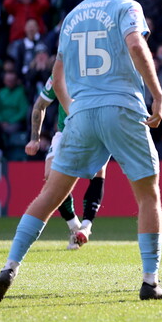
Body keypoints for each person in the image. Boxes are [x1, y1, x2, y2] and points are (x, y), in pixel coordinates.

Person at [0, 0, 162, 302]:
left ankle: (10, 266)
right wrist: (157, 93)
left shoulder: (70, 18)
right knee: (148, 195)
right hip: (122, 107)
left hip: (81, 114)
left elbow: (58, 74)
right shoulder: (127, 7)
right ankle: (150, 281)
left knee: (48, 196)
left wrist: (75, 108)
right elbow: (135, 44)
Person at [24, 61, 107, 250]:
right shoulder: (58, 75)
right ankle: (74, 226)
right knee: (50, 177)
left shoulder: (98, 69)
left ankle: (87, 226)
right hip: (65, 132)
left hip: (95, 129)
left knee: (98, 172)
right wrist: (35, 138)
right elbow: (39, 106)